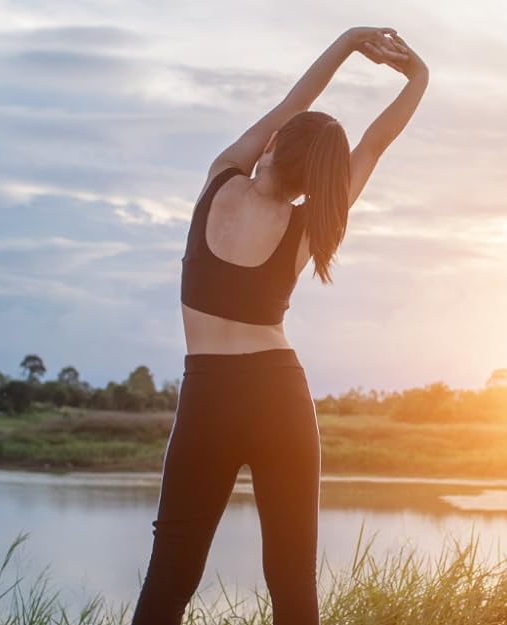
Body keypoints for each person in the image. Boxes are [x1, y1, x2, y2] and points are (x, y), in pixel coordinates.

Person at [131, 26, 428, 625]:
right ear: (315, 181)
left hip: (207, 396)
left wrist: (347, 44)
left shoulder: (219, 180)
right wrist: (418, 77)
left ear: (271, 145)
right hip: (279, 395)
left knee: (170, 581)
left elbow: (294, 105)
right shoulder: (310, 226)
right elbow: (374, 144)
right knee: (293, 586)